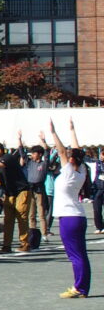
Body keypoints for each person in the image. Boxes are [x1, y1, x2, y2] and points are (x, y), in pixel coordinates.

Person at [47, 118, 90, 298]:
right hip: (78, 215)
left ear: (71, 159)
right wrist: (72, 130)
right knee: (81, 254)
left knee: (75, 255)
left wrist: (54, 132)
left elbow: (62, 150)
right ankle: (82, 287)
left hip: (69, 217)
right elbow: (75, 151)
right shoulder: (82, 171)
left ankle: (79, 287)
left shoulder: (69, 171)